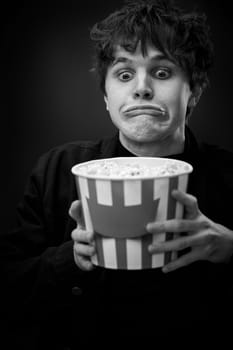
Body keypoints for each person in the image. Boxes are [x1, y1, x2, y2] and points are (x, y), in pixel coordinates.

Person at [1, 0, 233, 348]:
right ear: (107, 98)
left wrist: (229, 247)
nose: (141, 88)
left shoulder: (230, 176)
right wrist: (70, 259)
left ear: (195, 91)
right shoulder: (58, 171)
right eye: (124, 75)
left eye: (162, 72)